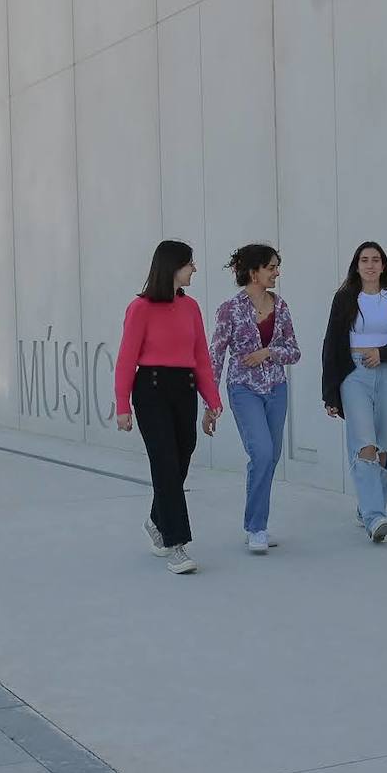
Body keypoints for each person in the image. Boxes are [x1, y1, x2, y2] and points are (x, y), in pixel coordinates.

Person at [115, 240, 223, 574]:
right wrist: (122, 405)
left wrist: (213, 400)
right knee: (164, 462)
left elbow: (202, 357)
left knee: (182, 454)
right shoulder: (140, 308)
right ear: (172, 266)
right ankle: (177, 544)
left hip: (185, 387)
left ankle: (155, 520)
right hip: (151, 389)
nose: (194, 269)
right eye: (190, 263)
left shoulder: (191, 308)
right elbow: (126, 359)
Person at [321, 242, 387, 542]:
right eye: (364, 260)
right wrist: (330, 393)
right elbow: (330, 346)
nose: (370, 265)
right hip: (353, 375)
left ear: (383, 265)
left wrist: (385, 353)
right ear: (356, 266)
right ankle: (375, 516)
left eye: (375, 260)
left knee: (384, 446)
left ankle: (369, 504)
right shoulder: (344, 300)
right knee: (364, 442)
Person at [208, 244, 300, 553]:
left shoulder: (281, 306)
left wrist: (268, 352)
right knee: (261, 453)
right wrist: (211, 401)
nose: (277, 272)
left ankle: (257, 522)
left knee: (270, 457)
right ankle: (256, 527)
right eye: (272, 267)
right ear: (253, 271)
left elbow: (294, 351)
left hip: (277, 388)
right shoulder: (230, 309)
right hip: (243, 389)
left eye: (277, 266)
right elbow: (216, 356)